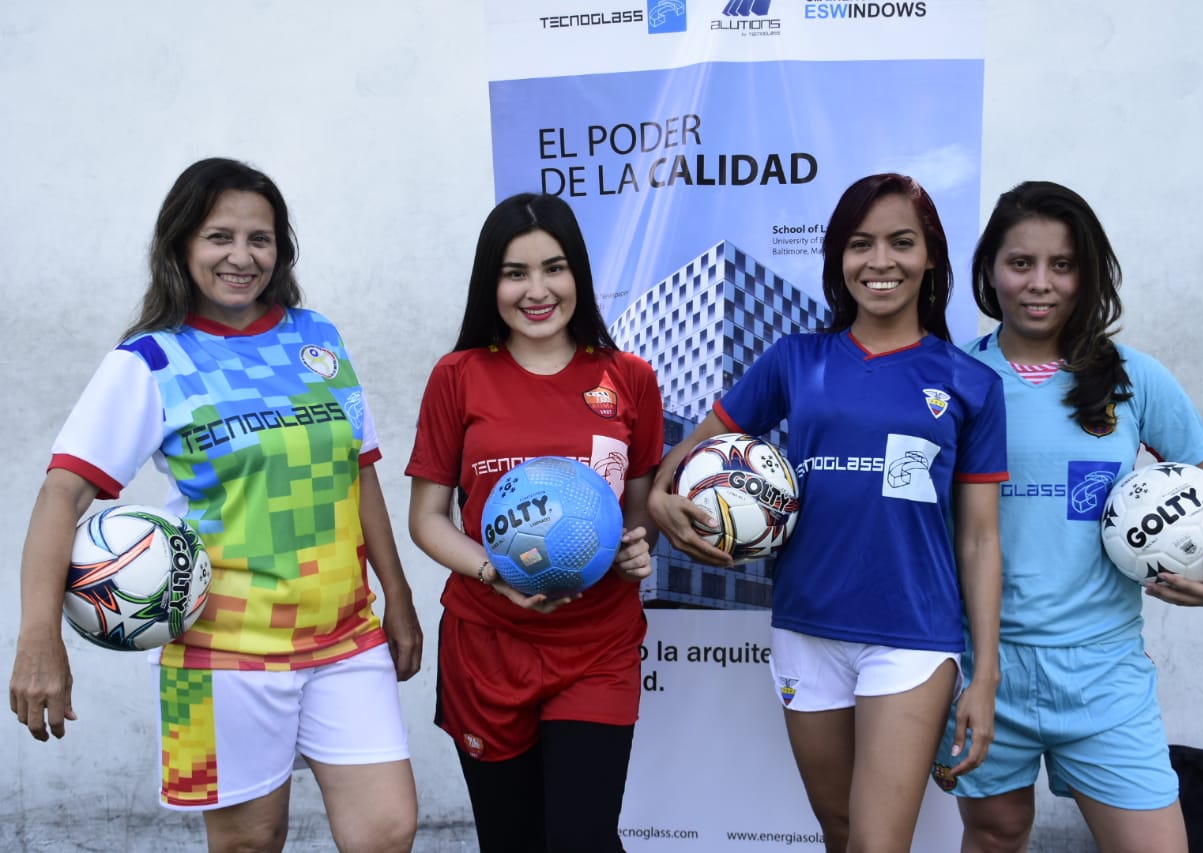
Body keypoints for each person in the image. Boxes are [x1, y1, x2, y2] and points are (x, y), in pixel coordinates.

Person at [8, 157, 423, 853]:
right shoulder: (149, 361)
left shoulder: (316, 337)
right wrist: (37, 637)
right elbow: (61, 491)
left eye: (259, 238)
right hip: (219, 652)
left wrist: (399, 594)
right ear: (181, 245)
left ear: (280, 250)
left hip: (345, 638)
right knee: (248, 843)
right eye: (219, 236)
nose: (242, 256)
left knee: (387, 830)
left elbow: (361, 473)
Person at [648, 173, 1008, 853]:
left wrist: (984, 674)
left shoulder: (969, 382)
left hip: (912, 635)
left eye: (901, 242)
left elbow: (982, 539)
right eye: (860, 244)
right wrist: (669, 509)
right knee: (839, 830)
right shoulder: (796, 359)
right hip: (806, 628)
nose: (880, 261)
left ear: (931, 254)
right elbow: (683, 461)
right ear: (838, 259)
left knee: (877, 842)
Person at [932, 180, 1203, 853]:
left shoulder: (1133, 377)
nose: (1040, 283)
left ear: (1088, 273)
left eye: (1063, 264)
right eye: (1020, 262)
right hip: (983, 663)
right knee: (996, 831)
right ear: (989, 269)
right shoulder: (955, 376)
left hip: (1104, 670)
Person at [405, 192, 662, 853]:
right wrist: (492, 571)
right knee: (511, 841)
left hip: (597, 646)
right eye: (515, 272)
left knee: (582, 839)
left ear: (578, 272)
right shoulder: (457, 377)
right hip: (487, 645)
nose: (537, 290)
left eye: (555, 267)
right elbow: (428, 519)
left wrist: (637, 550)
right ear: (490, 283)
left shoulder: (629, 378)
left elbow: (638, 516)